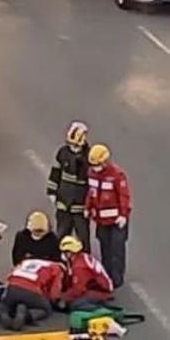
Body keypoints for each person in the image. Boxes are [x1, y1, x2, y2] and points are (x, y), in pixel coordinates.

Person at [85, 144, 131, 289]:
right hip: (101, 220)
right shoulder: (92, 174)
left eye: (97, 164)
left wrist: (123, 215)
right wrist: (88, 207)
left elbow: (124, 196)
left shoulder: (116, 175)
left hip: (117, 221)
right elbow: (91, 193)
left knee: (117, 249)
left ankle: (117, 278)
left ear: (104, 162)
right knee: (105, 248)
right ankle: (106, 275)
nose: (95, 167)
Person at [47, 121, 90, 243]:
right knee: (61, 235)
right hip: (63, 202)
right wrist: (52, 192)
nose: (74, 148)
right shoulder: (63, 152)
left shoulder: (88, 156)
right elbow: (56, 173)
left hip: (79, 205)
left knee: (83, 238)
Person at [0, 258, 66, 331]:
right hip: (31, 291)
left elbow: (10, 277)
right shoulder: (57, 268)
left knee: (5, 304)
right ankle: (27, 315)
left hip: (13, 288)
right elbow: (54, 292)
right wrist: (55, 301)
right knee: (45, 309)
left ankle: (4, 313)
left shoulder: (26, 261)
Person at [57, 235, 113, 311]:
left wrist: (62, 297)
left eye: (64, 252)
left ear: (70, 253)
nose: (63, 254)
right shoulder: (79, 258)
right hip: (95, 287)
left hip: (99, 291)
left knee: (75, 305)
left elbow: (78, 290)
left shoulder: (79, 267)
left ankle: (100, 309)